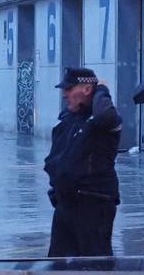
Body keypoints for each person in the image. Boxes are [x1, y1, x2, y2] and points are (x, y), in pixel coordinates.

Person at [44, 67, 122, 257]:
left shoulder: (103, 120)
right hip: (66, 202)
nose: (64, 94)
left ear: (87, 90)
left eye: (69, 89)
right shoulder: (68, 118)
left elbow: (105, 115)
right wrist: (56, 187)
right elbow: (56, 156)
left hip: (93, 202)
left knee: (93, 266)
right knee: (57, 263)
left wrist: (102, 90)